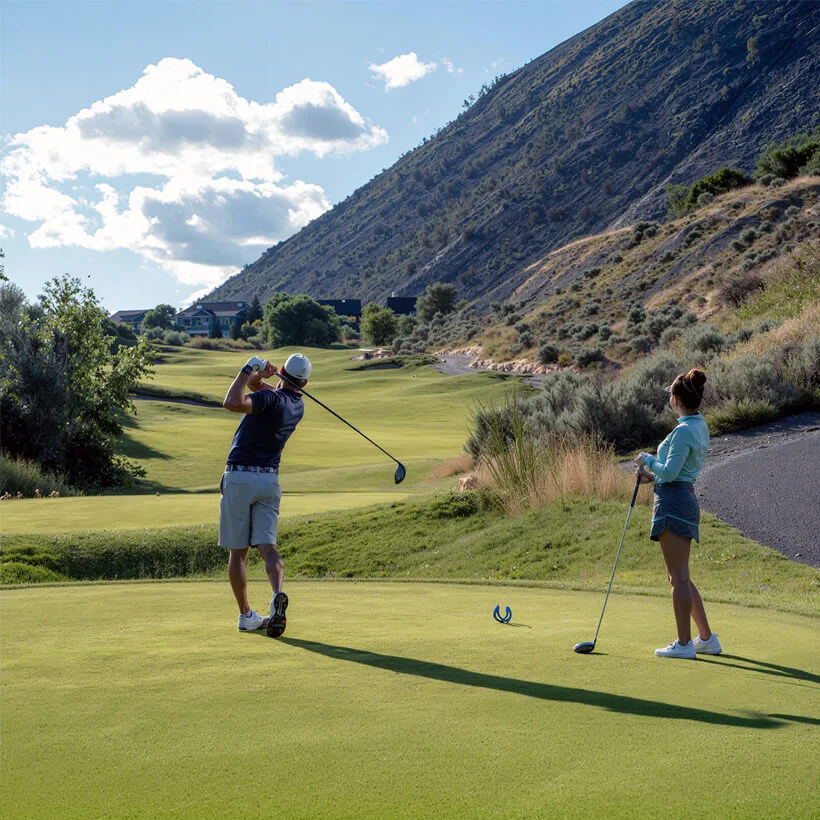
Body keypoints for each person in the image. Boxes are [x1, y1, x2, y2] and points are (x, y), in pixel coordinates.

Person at [220, 352, 312, 637]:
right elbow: (261, 391)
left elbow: (232, 402)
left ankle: (246, 615)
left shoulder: (271, 400)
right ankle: (277, 595)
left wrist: (248, 368)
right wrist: (262, 378)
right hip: (269, 482)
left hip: (240, 477)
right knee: (268, 549)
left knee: (238, 554)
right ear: (305, 383)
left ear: (283, 371)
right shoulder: (297, 405)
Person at [634, 368, 722, 660]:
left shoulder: (683, 431)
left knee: (677, 578)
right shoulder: (697, 425)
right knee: (681, 577)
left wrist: (648, 460)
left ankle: (684, 644)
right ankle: (706, 640)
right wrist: (652, 477)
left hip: (673, 502)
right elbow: (675, 472)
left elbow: (670, 471)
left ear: (675, 399)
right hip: (682, 496)